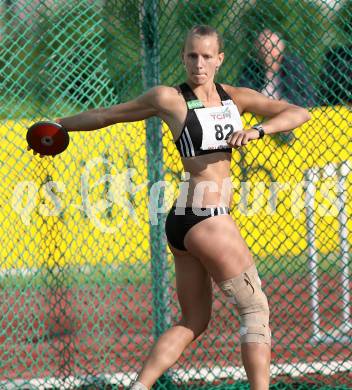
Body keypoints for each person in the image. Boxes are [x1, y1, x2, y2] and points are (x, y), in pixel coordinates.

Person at [45, 25, 310, 390]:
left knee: (194, 321)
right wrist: (59, 126)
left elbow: (299, 113)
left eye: (205, 56)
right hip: (205, 216)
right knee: (255, 310)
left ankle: (140, 387)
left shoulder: (236, 98)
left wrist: (258, 130)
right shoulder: (171, 99)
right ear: (184, 56)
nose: (198, 63)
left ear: (219, 59)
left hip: (184, 222)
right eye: (191, 55)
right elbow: (109, 114)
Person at [239, 29, 317, 107]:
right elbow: (243, 94)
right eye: (262, 46)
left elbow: (308, 96)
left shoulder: (293, 65)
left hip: (287, 112)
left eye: (270, 47)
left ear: (281, 47)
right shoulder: (251, 68)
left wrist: (288, 102)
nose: (265, 51)